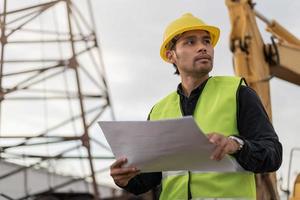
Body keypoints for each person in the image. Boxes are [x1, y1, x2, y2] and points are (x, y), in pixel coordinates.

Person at [110, 13, 282, 200]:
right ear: (171, 55)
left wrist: (236, 145)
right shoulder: (159, 111)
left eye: (207, 41)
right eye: (190, 42)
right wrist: (125, 179)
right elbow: (150, 177)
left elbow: (272, 154)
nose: (203, 47)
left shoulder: (238, 93)